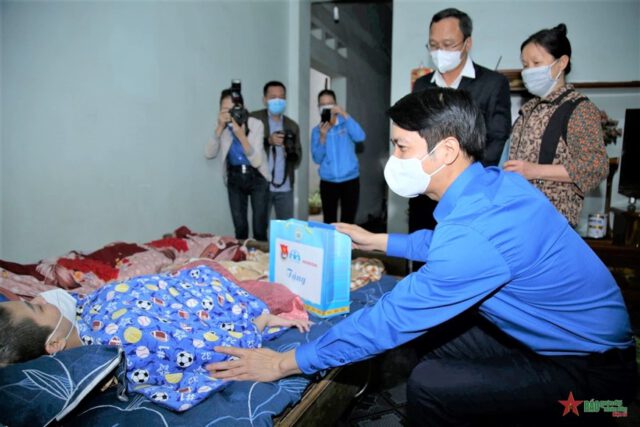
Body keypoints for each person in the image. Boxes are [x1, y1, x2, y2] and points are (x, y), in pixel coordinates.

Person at [207, 88, 635, 426]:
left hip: (594, 376)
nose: (393, 159)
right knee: (432, 336)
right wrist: (375, 240)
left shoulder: (475, 233)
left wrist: (283, 363)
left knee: (428, 383)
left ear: (445, 151)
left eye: (401, 147)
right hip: (553, 337)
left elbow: (392, 318)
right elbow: (444, 244)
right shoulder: (491, 186)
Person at [0, 265, 310, 412]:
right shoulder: (116, 348)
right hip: (210, 309)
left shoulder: (78, 315)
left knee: (203, 270)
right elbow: (199, 347)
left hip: (184, 287)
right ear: (54, 344)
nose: (44, 301)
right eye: (37, 308)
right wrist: (255, 322)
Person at [410, 7, 512, 233]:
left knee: (465, 251)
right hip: (426, 195)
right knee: (423, 248)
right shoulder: (422, 85)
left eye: (448, 45)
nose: (440, 52)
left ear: (467, 43)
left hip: (471, 196)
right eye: (433, 45)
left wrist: (465, 182)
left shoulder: (492, 84)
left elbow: (497, 138)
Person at [505, 24, 608, 227]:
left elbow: (596, 166)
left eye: (536, 63)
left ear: (562, 62)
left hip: (553, 222)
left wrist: (535, 171)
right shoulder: (530, 109)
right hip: (522, 218)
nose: (529, 71)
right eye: (525, 65)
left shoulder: (578, 109)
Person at [205, 88, 270, 241]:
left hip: (257, 176)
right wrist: (219, 128)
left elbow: (257, 161)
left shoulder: (256, 124)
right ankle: (241, 255)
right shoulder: (223, 127)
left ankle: (261, 256)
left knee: (259, 228)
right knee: (240, 227)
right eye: (224, 110)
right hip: (234, 177)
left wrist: (241, 135)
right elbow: (209, 153)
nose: (229, 114)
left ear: (242, 107)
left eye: (232, 109)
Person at [311, 89, 366, 224]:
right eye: (322, 104)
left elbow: (360, 137)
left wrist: (345, 114)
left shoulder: (346, 124)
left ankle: (346, 240)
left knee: (348, 222)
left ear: (335, 105)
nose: (326, 107)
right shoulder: (316, 131)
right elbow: (317, 158)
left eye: (329, 103)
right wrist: (322, 138)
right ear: (318, 108)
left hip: (350, 180)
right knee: (329, 222)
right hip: (328, 182)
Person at [250, 81, 302, 221]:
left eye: (281, 97)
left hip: (285, 187)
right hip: (261, 185)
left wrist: (290, 154)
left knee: (286, 227)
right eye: (273, 97)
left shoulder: (292, 126)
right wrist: (268, 141)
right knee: (260, 227)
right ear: (265, 100)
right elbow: (246, 146)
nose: (278, 101)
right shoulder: (254, 119)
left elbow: (298, 157)